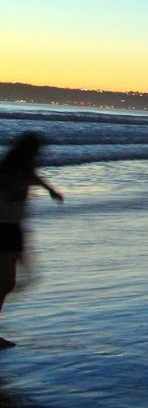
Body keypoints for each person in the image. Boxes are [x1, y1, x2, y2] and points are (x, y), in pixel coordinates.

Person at [1, 133, 63, 348]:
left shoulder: (25, 170)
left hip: (14, 228)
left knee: (8, 282)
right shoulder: (5, 171)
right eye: (37, 151)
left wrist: (51, 191)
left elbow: (36, 178)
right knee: (6, 282)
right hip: (3, 228)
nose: (39, 155)